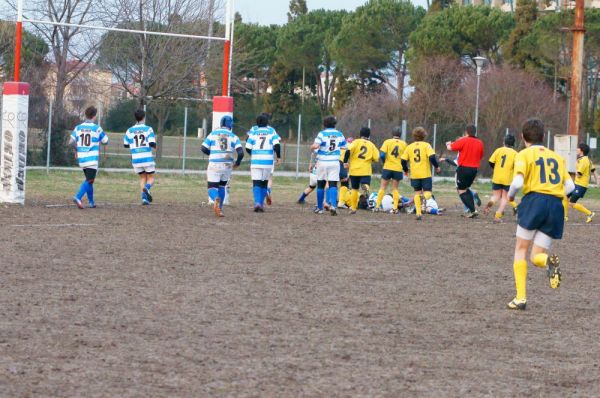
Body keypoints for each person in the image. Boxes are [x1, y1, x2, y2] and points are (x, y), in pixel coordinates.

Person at [506, 118, 575, 310]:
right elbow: (570, 187)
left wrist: (511, 196)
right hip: (555, 206)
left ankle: (520, 298)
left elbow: (518, 182)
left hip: (535, 201)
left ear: (523, 136)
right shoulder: (556, 157)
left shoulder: (524, 154)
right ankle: (548, 262)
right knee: (537, 256)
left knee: (521, 249)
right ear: (544, 136)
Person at [201, 115, 244, 217]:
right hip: (227, 165)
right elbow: (241, 153)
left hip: (214, 164)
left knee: (212, 187)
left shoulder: (213, 134)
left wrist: (211, 154)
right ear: (231, 125)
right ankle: (220, 209)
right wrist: (237, 163)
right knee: (222, 186)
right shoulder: (234, 136)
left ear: (221, 123)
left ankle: (215, 198)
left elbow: (203, 148)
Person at [69, 106, 109, 209]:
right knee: (90, 180)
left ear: (86, 115)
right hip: (91, 159)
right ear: (94, 116)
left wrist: (77, 150)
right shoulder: (96, 128)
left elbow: (71, 142)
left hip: (82, 159)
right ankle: (78, 197)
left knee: (90, 180)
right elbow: (106, 141)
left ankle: (91, 202)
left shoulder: (78, 128)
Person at [310, 116, 348, 216]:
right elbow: (346, 147)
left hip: (322, 162)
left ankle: (320, 208)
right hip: (335, 162)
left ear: (324, 124)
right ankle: (333, 206)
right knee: (333, 184)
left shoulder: (322, 134)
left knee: (321, 184)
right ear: (334, 124)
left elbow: (316, 146)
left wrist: (312, 146)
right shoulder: (339, 134)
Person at [401, 127, 441, 220]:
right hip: (425, 174)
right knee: (428, 193)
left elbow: (403, 160)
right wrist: (437, 167)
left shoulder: (409, 147)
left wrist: (406, 170)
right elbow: (432, 157)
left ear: (414, 136)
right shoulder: (426, 145)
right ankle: (423, 197)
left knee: (417, 193)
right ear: (424, 135)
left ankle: (418, 213)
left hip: (414, 175)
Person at [446, 125, 484, 218]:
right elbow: (481, 156)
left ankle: (473, 210)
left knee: (461, 190)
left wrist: (448, 144)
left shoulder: (463, 140)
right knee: (466, 189)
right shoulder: (480, 142)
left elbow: (450, 148)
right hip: (474, 170)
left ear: (466, 132)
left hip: (463, 169)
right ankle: (472, 210)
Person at [246, 114, 281, 212]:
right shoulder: (271, 132)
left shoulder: (253, 131)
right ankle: (261, 204)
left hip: (256, 161)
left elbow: (248, 147)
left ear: (257, 123)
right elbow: (277, 145)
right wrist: (278, 157)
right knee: (264, 183)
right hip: (268, 161)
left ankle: (257, 203)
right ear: (267, 122)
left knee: (256, 182)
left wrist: (253, 154)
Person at [123, 109, 157, 205]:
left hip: (136, 159)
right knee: (151, 177)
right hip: (147, 158)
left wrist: (135, 146)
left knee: (142, 178)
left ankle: (144, 199)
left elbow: (125, 145)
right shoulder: (148, 129)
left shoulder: (129, 130)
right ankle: (147, 188)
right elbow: (151, 143)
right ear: (143, 117)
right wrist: (155, 146)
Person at [344, 127, 380, 214]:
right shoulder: (371, 145)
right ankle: (366, 187)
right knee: (365, 183)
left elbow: (348, 150)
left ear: (360, 134)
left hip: (354, 170)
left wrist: (345, 161)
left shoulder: (356, 142)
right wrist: (371, 159)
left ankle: (353, 208)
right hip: (365, 170)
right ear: (369, 135)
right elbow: (377, 158)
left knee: (354, 189)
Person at [484, 134, 518, 222]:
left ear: (504, 142)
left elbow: (491, 162)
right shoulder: (515, 153)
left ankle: (490, 203)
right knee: (504, 198)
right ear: (513, 144)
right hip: (507, 179)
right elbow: (517, 166)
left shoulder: (498, 150)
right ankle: (497, 216)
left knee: (496, 196)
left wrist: (497, 169)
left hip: (497, 177)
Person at [375, 127, 407, 213]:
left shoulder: (387, 142)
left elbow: (382, 155)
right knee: (395, 189)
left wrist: (385, 161)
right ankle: (395, 208)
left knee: (382, 187)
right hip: (398, 168)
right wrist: (405, 168)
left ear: (392, 133)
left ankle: (377, 206)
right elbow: (405, 158)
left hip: (388, 167)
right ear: (400, 134)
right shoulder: (404, 144)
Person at [564, 143, 598, 223]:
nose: (576, 149)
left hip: (581, 185)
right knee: (565, 197)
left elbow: (579, 175)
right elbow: (593, 170)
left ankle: (589, 213)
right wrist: (597, 179)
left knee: (572, 203)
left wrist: (569, 172)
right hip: (577, 184)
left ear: (581, 150)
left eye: (578, 148)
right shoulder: (586, 159)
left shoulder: (583, 161)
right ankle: (564, 216)